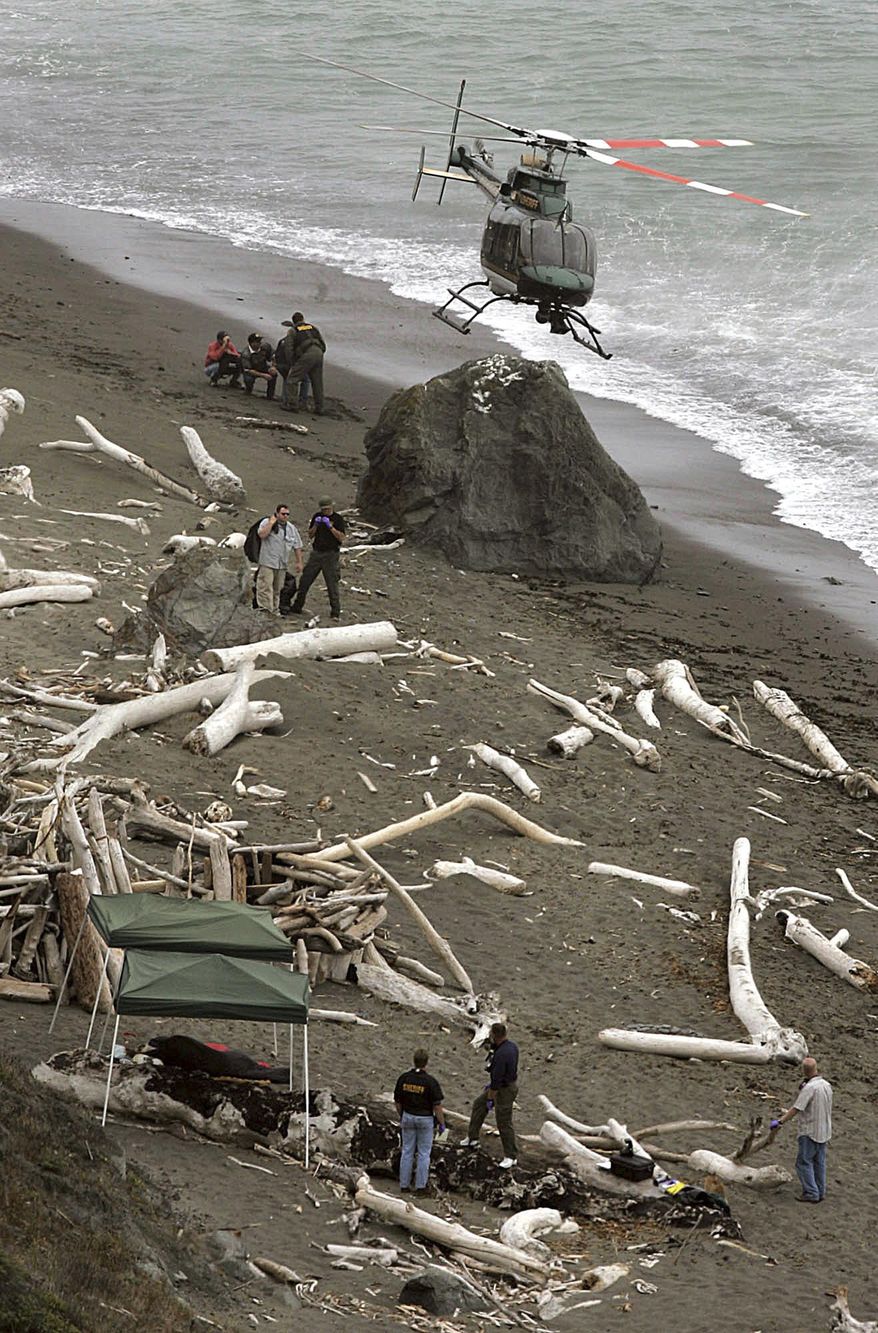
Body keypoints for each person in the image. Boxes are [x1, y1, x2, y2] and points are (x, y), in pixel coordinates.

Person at [773, 1056, 832, 1203]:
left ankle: (811, 1192)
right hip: (824, 1130)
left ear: (804, 1071)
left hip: (810, 1130)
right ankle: (820, 1190)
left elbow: (796, 1108)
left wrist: (780, 1121)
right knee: (819, 1162)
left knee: (803, 1162)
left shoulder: (809, 1088)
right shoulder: (826, 1085)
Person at [460, 1022, 519, 1168]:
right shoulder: (511, 1047)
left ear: (494, 1035)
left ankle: (511, 1156)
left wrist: (491, 1097)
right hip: (507, 1084)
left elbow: (496, 1079)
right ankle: (472, 1137)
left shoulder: (501, 1055)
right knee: (478, 1105)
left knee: (503, 1122)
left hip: (503, 1089)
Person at [394, 1048, 447, 1194]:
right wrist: (442, 1123)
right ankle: (420, 1186)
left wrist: (402, 1115)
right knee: (424, 1153)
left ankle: (404, 1184)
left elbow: (397, 1101)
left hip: (408, 1116)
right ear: (426, 1063)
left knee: (407, 1151)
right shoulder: (430, 1082)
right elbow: (437, 1106)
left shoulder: (404, 1078)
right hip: (425, 1119)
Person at [288, 499, 346, 620]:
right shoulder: (317, 516)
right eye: (323, 509)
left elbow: (341, 538)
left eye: (327, 509)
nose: (325, 511)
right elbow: (310, 535)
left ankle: (335, 611)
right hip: (316, 553)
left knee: (332, 583)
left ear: (331, 507)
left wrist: (330, 526)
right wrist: (316, 524)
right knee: (305, 580)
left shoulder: (338, 519)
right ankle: (297, 606)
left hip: (331, 555)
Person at [255, 503, 303, 613]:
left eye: (287, 514)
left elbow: (297, 545)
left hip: (282, 564)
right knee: (265, 587)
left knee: (277, 589)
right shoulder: (267, 522)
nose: (285, 516)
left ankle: (275, 610)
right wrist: (271, 523)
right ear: (277, 513)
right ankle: (265, 610)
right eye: (283, 514)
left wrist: (299, 562)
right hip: (268, 561)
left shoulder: (291, 528)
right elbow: (262, 535)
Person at [278, 312, 326, 414]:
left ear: (293, 321)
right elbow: (322, 342)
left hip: (307, 354)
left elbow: (288, 348)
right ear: (303, 319)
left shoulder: (293, 331)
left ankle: (292, 405)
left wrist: (292, 363)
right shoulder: (313, 327)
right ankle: (319, 407)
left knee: (292, 379)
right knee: (317, 382)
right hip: (319, 352)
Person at [242, 333, 278, 399]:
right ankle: (248, 389)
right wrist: (263, 375)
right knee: (248, 379)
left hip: (262, 367)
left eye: (260, 341)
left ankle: (270, 395)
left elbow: (274, 356)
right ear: (252, 343)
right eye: (257, 341)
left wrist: (273, 366)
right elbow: (248, 370)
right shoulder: (246, 353)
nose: (260, 343)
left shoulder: (265, 347)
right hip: (251, 370)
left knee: (273, 374)